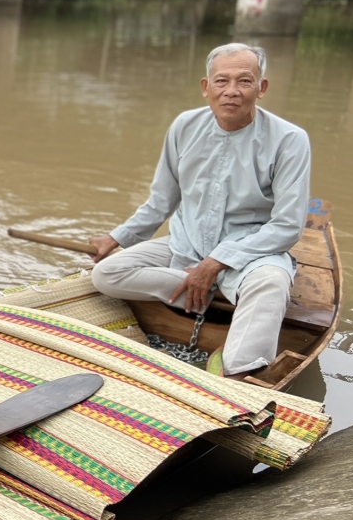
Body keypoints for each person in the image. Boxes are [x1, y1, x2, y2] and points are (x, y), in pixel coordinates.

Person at [88, 43, 311, 378]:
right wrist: (119, 236)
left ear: (261, 88)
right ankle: (204, 292)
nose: (231, 91)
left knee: (272, 283)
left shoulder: (290, 140)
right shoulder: (184, 126)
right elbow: (162, 200)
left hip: (252, 252)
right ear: (206, 88)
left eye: (244, 81)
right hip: (186, 244)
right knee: (107, 274)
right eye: (221, 81)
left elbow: (287, 226)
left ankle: (238, 373)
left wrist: (217, 261)